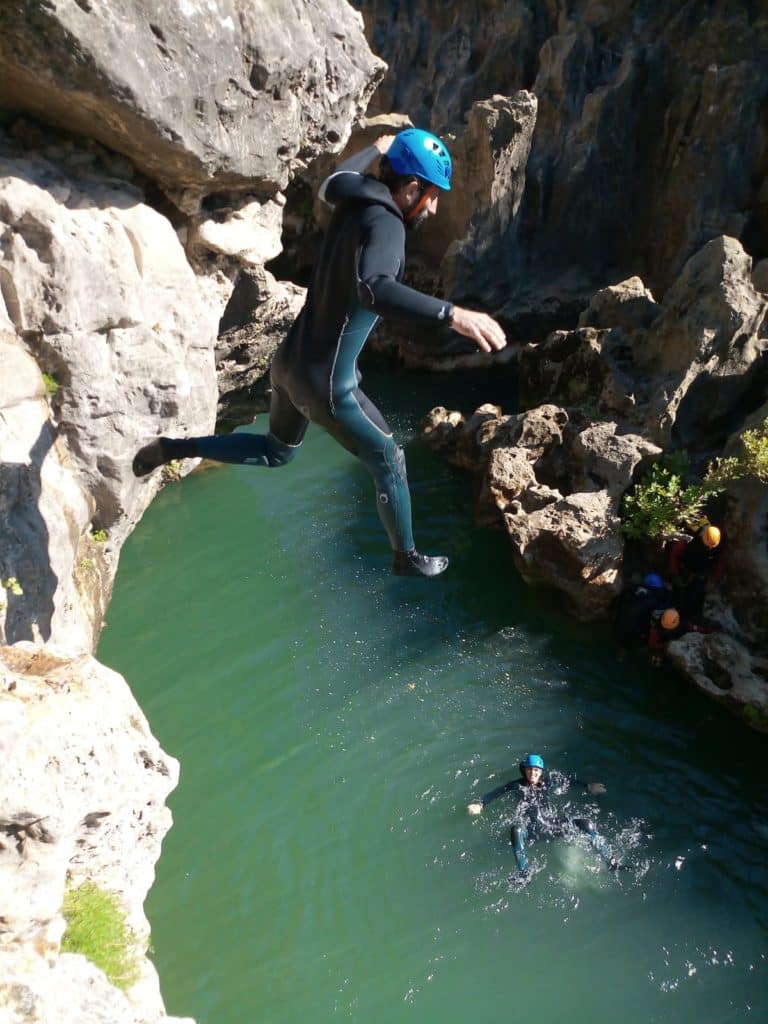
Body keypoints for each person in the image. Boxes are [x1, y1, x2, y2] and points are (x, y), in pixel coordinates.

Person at [133, 128, 507, 577]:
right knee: (390, 459)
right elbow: (374, 289)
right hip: (328, 383)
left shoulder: (355, 194)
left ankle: (174, 448)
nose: (434, 207)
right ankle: (405, 556)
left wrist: (375, 148)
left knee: (278, 451)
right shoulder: (388, 225)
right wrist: (452, 315)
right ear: (410, 189)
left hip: (289, 363)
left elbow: (332, 181)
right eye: (431, 196)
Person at [467, 753, 618, 874]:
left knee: (585, 823)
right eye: (530, 769)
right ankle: (524, 873)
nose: (533, 772)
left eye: (537, 770)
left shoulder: (546, 782)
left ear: (541, 772)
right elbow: (496, 792)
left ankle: (611, 862)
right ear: (525, 770)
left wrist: (588, 786)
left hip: (550, 825)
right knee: (516, 830)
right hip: (531, 831)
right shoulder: (516, 785)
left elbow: (568, 782)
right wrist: (481, 804)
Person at [667, 523, 725, 620]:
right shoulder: (689, 538)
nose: (710, 548)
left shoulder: (718, 543)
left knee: (695, 597)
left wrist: (716, 578)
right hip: (684, 570)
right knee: (678, 595)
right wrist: (675, 574)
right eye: (708, 545)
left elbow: (720, 560)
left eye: (712, 546)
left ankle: (691, 618)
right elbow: (674, 555)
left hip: (700, 573)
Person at [612, 572, 670, 649]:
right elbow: (655, 620)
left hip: (617, 627)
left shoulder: (631, 591)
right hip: (634, 635)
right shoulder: (654, 600)